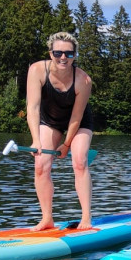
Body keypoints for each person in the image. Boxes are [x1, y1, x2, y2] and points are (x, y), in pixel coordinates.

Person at [25, 31, 94, 231]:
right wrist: (36, 140)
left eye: (69, 54)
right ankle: (47, 219)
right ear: (50, 53)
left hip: (78, 121)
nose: (63, 57)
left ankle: (86, 218)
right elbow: (33, 108)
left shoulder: (83, 80)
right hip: (50, 120)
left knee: (80, 162)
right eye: (58, 53)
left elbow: (76, 117)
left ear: (74, 55)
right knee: (41, 165)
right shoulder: (37, 70)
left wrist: (66, 144)